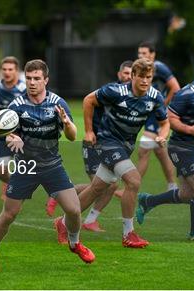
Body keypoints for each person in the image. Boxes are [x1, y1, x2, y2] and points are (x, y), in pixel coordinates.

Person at [0, 59, 95, 268]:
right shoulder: (16, 105)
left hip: (52, 165)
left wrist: (68, 123)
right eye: (29, 78)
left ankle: (75, 243)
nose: (32, 82)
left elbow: (71, 136)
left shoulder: (58, 103)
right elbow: (8, 133)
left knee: (74, 210)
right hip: (26, 167)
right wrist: (11, 138)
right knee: (9, 214)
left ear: (46, 80)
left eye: (36, 79)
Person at [56, 58, 169, 248]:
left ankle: (63, 222)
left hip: (125, 146)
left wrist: (162, 136)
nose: (145, 81)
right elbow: (88, 100)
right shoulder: (116, 91)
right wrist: (90, 130)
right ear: (132, 76)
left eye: (148, 77)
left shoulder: (154, 97)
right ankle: (128, 234)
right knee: (133, 180)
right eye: (141, 76)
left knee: (96, 189)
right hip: (107, 141)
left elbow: (164, 122)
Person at [136, 55, 194, 242]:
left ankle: (148, 201)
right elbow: (170, 118)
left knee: (187, 194)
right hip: (181, 146)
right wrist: (190, 129)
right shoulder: (187, 93)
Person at [70, 60, 133, 232]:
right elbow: (88, 101)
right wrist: (89, 131)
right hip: (94, 143)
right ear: (120, 75)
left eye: (131, 73)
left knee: (107, 185)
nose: (128, 77)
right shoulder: (111, 91)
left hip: (112, 145)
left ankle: (87, 218)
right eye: (125, 73)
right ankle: (66, 197)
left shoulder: (138, 97)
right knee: (103, 186)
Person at [134, 42, 179, 194]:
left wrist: (163, 105)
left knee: (143, 150)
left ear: (153, 55)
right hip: (150, 113)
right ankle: (173, 185)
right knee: (161, 152)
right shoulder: (140, 69)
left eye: (144, 53)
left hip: (157, 115)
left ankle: (132, 186)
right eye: (139, 53)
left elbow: (175, 87)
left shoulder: (159, 67)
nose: (141, 56)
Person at [0, 56, 26, 198]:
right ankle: (13, 185)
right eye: (4, 69)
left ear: (16, 71)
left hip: (20, 135)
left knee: (24, 168)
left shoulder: (23, 89)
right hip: (2, 135)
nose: (7, 72)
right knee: (0, 169)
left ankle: (16, 191)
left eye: (10, 69)